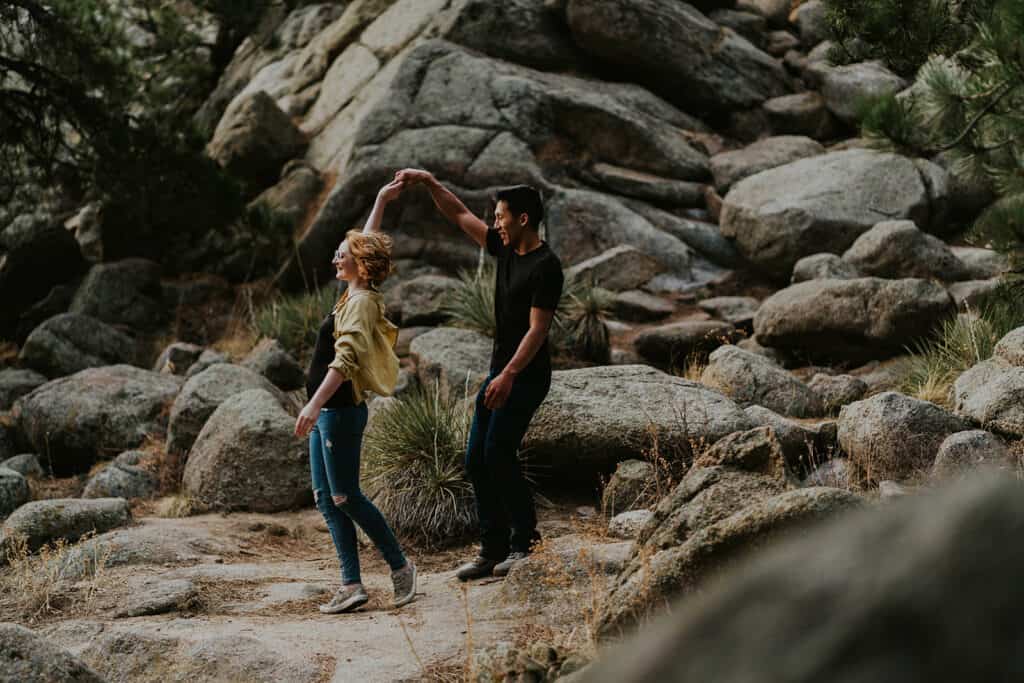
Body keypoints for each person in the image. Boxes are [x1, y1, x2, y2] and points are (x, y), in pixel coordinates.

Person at [395, 169, 564, 580]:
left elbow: (538, 330)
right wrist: (431, 183)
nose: (495, 223)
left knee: (498, 454)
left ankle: (524, 544)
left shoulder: (546, 266)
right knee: (475, 459)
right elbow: (459, 215)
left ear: (523, 218)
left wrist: (507, 376)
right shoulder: (504, 249)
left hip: (524, 375)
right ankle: (492, 550)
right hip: (500, 371)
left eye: (501, 215)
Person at [294, 179, 417, 613]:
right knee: (326, 499)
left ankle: (400, 567)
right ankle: (351, 585)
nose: (335, 256)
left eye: (342, 253)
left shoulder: (362, 303)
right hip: (327, 410)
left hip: (338, 411)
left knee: (346, 496)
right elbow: (364, 240)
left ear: (359, 265)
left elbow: (345, 361)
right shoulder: (351, 293)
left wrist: (312, 406)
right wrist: (382, 199)